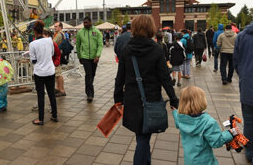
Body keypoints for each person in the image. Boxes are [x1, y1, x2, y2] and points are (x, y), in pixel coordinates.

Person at [114, 15, 178, 165]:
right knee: (144, 137)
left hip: (132, 99)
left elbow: (120, 77)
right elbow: (164, 78)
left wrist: (118, 98)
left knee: (141, 135)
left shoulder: (126, 49)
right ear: (151, 29)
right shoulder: (156, 49)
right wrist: (173, 99)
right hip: (151, 98)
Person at [172, 86, 234, 165]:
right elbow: (216, 142)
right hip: (205, 161)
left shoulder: (181, 118)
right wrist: (230, 133)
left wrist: (174, 112)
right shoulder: (208, 122)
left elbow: (177, 120)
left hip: (189, 160)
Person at [29, 20, 58, 125]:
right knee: (51, 95)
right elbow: (52, 53)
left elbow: (33, 60)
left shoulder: (32, 44)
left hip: (39, 72)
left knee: (40, 95)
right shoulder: (50, 40)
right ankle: (54, 115)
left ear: (34, 32)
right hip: (50, 70)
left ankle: (41, 119)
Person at [233, 21, 253, 163]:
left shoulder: (242, 36)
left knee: (249, 122)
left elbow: (236, 61)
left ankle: (250, 152)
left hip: (248, 86)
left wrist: (244, 76)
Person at [76, 17, 103, 102]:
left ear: (91, 22)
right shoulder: (80, 32)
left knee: (92, 75)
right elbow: (78, 45)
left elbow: (100, 45)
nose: (85, 24)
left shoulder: (97, 32)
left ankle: (89, 90)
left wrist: (98, 56)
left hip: (94, 57)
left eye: (87, 23)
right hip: (85, 57)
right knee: (88, 74)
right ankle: (89, 94)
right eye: (84, 23)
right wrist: (80, 56)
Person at [53, 22, 66, 97]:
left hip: (58, 56)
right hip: (59, 55)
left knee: (58, 74)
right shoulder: (60, 33)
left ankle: (61, 90)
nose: (55, 28)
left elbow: (53, 43)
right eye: (54, 26)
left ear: (60, 27)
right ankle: (58, 88)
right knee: (57, 73)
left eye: (56, 26)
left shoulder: (59, 34)